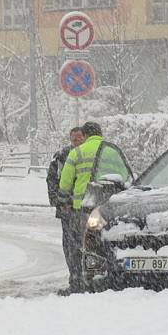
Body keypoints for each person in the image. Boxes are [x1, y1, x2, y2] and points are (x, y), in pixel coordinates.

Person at [58, 121, 105, 294]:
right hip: (106, 209)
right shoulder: (110, 151)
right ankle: (103, 279)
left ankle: (78, 282)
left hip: (81, 210)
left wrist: (63, 202)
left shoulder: (77, 152)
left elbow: (64, 183)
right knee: (102, 246)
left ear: (85, 135)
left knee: (77, 246)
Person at [47, 126, 86, 292]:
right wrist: (59, 202)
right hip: (67, 210)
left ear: (85, 138)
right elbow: (52, 180)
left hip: (84, 208)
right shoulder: (62, 155)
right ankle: (75, 278)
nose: (76, 141)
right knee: (70, 246)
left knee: (85, 244)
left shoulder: (87, 155)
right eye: (74, 138)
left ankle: (84, 279)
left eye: (79, 138)